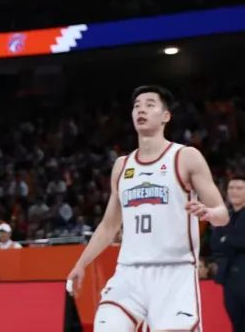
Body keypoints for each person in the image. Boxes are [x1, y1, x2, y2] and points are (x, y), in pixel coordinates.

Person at [66, 85, 230, 331]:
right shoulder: (122, 166)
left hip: (174, 272)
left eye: (150, 105)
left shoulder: (185, 157)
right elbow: (109, 225)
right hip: (128, 273)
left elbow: (222, 214)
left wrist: (209, 213)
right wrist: (81, 263)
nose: (141, 109)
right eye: (137, 106)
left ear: (166, 116)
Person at [211, 169, 245, 330]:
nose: (234, 191)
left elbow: (239, 241)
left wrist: (227, 239)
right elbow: (215, 244)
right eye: (231, 188)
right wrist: (229, 239)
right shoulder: (225, 216)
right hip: (230, 279)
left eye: (239, 188)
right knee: (236, 323)